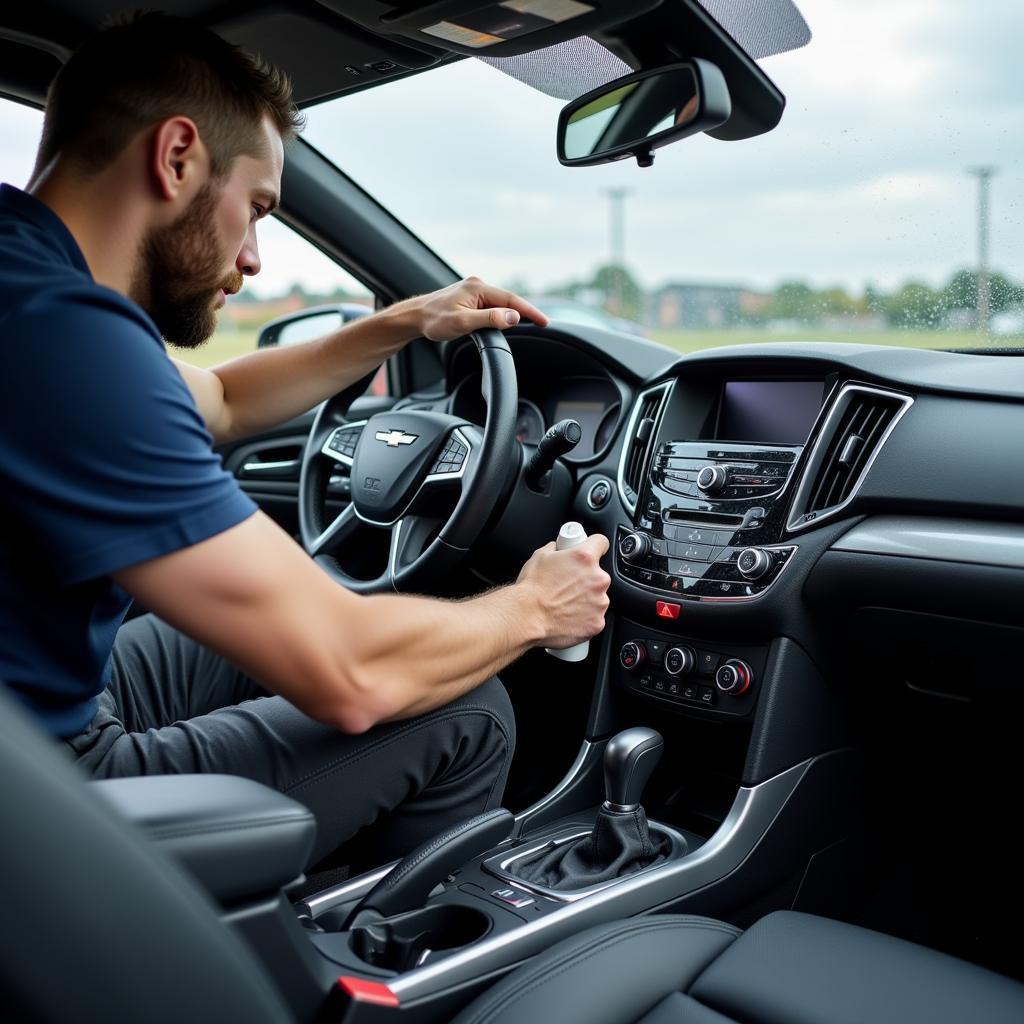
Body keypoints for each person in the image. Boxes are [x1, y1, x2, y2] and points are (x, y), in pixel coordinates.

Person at [0, 13, 610, 869]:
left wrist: (402, 321)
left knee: (239, 637)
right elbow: (352, 674)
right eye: (253, 208)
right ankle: (361, 967)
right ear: (176, 158)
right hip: (49, 797)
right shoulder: (68, 340)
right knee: (466, 710)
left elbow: (214, 398)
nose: (252, 258)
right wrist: (537, 608)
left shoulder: (28, 277)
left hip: (35, 716)